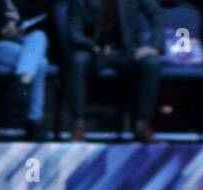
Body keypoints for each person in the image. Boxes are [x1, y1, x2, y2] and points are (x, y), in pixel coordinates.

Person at [65, 0, 164, 142]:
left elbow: (156, 13)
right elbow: (73, 32)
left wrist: (154, 46)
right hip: (94, 50)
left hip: (126, 51)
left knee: (151, 62)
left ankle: (142, 124)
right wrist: (92, 46)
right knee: (78, 60)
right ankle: (78, 124)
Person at [0, 0, 49, 137]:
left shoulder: (20, 3)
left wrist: (20, 31)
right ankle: (34, 118)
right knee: (40, 63)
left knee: (39, 36)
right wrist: (3, 31)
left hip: (21, 46)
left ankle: (24, 79)